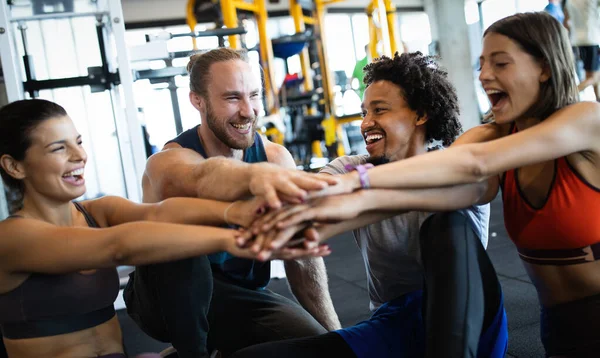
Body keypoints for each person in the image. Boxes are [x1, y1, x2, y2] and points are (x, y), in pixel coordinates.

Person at [272, 11, 600, 357]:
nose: (484, 75)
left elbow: (473, 164)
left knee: (446, 223)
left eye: (500, 64)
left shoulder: (586, 121)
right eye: (482, 64)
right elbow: (416, 195)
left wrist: (358, 183)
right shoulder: (492, 137)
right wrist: (310, 224)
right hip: (561, 330)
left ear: (545, 67)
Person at [230, 52, 508, 358]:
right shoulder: (352, 168)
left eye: (380, 110)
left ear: (420, 114)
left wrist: (361, 185)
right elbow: (310, 196)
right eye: (364, 112)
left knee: (446, 225)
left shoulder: (452, 164)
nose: (366, 123)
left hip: (473, 322)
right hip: (395, 326)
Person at [0, 99, 325, 358]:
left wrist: (238, 212)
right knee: (169, 242)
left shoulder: (94, 212)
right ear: (14, 166)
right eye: (59, 148)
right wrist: (239, 239)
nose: (80, 155)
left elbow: (161, 213)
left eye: (79, 142)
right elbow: (119, 246)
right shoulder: (12, 237)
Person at [124, 48, 341, 358]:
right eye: (232, 98)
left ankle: (211, 348)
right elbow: (203, 176)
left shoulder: (276, 158)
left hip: (242, 300)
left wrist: (338, 336)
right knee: (182, 244)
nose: (248, 111)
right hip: (162, 304)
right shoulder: (168, 163)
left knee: (317, 346)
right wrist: (253, 178)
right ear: (197, 100)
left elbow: (303, 260)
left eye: (253, 95)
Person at [563, 0, 600, 100]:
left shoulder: (569, 1)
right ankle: (567, 94)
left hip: (576, 41)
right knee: (593, 77)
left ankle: (598, 99)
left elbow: (566, 22)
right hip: (591, 39)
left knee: (592, 74)